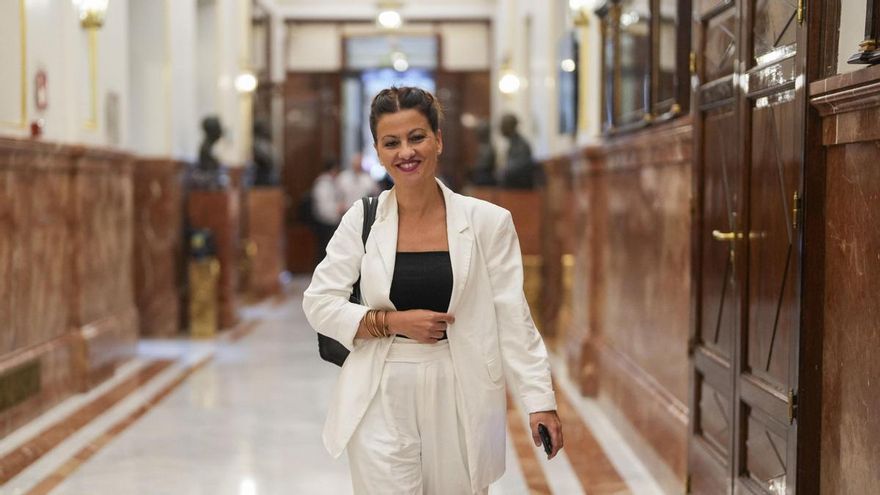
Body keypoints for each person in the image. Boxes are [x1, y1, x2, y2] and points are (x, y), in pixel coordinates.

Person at [303, 87, 563, 494]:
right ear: (378, 150)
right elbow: (319, 303)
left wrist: (539, 399)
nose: (406, 151)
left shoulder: (487, 223)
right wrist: (392, 322)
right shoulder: (363, 219)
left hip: (460, 390)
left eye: (417, 137)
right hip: (380, 389)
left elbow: (513, 316)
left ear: (438, 140)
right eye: (392, 142)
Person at [310, 159, 344, 264]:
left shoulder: (332, 183)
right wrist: (337, 208)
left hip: (331, 222)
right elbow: (323, 208)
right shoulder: (323, 184)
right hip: (325, 224)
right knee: (325, 252)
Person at [499, 113, 537, 189]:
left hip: (520, 191)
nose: (500, 128)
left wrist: (501, 172)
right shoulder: (513, 143)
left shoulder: (521, 144)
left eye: (502, 125)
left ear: (509, 126)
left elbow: (516, 170)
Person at [469, 120, 497, 186]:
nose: (477, 133)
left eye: (480, 131)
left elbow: (484, 166)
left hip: (485, 180)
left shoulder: (488, 148)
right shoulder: (482, 146)